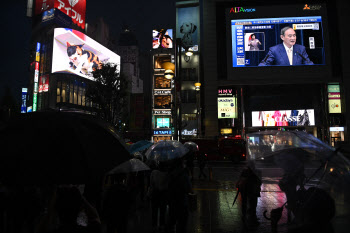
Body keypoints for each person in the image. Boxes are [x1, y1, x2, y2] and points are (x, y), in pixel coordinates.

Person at [167, 158, 193, 233]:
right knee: (182, 224)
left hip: (172, 201)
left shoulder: (170, 173)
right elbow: (189, 189)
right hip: (182, 201)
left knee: (171, 222)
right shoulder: (184, 174)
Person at [149, 162, 169, 233]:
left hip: (155, 194)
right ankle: (162, 225)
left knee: (154, 211)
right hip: (163, 194)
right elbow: (167, 186)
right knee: (162, 211)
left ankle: (154, 226)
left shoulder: (154, 172)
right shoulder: (167, 174)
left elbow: (151, 184)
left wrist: (150, 193)